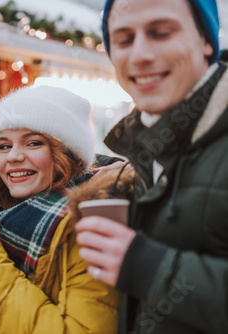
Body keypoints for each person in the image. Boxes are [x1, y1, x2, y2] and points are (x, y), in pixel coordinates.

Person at [75, 0, 228, 333]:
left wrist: (149, 267)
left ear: (206, 41)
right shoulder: (148, 142)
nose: (140, 54)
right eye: (124, 39)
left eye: (161, 33)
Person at [0, 85, 120, 333]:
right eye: (4, 146)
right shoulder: (5, 217)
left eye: (33, 143)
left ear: (67, 153)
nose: (13, 157)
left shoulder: (90, 223)